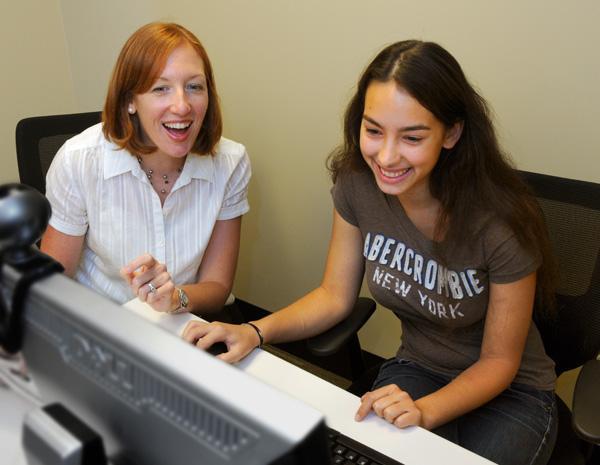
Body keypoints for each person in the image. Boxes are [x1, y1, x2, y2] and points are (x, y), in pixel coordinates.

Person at [182, 40, 558, 465]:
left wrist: (426, 411)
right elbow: (334, 295)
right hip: (417, 369)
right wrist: (255, 331)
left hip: (511, 394)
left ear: (451, 133)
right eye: (373, 130)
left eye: (412, 137)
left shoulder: (501, 221)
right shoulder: (358, 186)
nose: (386, 155)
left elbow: (498, 362)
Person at [41, 22, 251, 316]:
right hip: (100, 324)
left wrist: (176, 298)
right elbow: (53, 286)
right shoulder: (79, 160)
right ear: (130, 102)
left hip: (182, 323)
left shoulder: (231, 163)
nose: (182, 106)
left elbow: (217, 286)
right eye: (160, 88)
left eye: (194, 87)